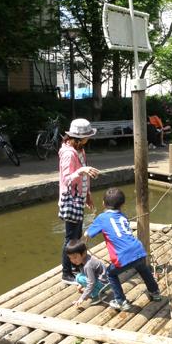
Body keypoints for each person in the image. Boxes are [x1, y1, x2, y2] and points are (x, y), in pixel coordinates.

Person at [85, 187, 162, 311]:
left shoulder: (101, 218)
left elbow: (88, 234)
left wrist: (85, 236)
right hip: (138, 250)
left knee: (111, 273)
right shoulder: (123, 216)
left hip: (122, 256)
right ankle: (155, 292)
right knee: (143, 268)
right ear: (122, 205)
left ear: (103, 203)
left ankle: (120, 300)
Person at [58, 118, 100, 285]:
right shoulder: (68, 153)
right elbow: (67, 179)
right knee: (70, 238)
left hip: (79, 198)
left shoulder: (80, 150)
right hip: (70, 200)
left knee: (76, 235)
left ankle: (75, 266)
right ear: (79, 138)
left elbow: (83, 177)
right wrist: (82, 170)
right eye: (87, 136)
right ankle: (66, 273)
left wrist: (87, 194)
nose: (89, 139)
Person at [65, 239, 108, 307]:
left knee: (80, 278)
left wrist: (82, 298)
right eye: (70, 258)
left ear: (84, 253)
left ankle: (98, 295)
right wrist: (81, 285)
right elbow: (85, 273)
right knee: (79, 276)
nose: (73, 260)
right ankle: (95, 292)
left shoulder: (88, 265)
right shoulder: (85, 259)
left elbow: (91, 282)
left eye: (75, 257)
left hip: (105, 284)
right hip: (101, 279)